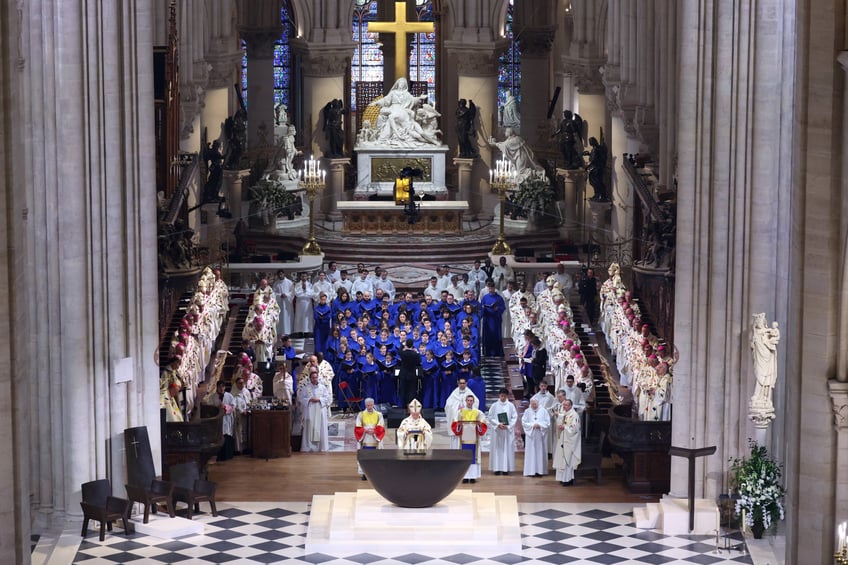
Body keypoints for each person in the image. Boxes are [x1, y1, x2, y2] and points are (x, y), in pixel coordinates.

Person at [451, 394, 487, 483]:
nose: (470, 402)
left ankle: (473, 476)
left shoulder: (478, 412)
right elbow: (455, 424)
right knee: (464, 457)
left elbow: (483, 424)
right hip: (463, 439)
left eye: (471, 401)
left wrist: (479, 425)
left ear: (473, 402)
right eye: (468, 400)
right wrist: (458, 425)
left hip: (474, 439)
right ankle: (465, 476)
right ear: (466, 401)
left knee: (473, 458)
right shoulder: (460, 412)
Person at [487, 388, 517, 476]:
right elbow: (490, 417)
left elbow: (514, 417)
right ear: (499, 395)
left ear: (507, 396)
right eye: (501, 396)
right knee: (497, 449)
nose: (503, 397)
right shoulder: (494, 405)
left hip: (506, 431)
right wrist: (497, 424)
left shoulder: (511, 406)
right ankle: (496, 468)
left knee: (506, 449)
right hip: (497, 431)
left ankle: (505, 468)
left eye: (504, 396)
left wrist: (508, 426)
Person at [299, 368, 330, 452]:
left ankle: (321, 447)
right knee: (310, 428)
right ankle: (309, 447)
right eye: (313, 377)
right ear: (310, 378)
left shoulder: (322, 387)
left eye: (316, 377)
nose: (315, 379)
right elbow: (301, 398)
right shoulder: (306, 388)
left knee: (320, 428)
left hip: (320, 410)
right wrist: (309, 399)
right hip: (310, 411)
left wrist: (319, 399)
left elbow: (327, 398)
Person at [355, 397, 386, 479]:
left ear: (373, 404)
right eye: (368, 405)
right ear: (365, 405)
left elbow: (381, 426)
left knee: (375, 455)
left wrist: (375, 431)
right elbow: (358, 426)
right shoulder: (361, 414)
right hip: (365, 437)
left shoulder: (379, 414)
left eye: (371, 405)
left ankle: (375, 472)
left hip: (374, 437)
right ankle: (364, 473)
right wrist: (364, 430)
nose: (369, 407)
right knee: (365, 456)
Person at [553, 399, 582, 486]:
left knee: (567, 460)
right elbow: (562, 421)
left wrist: (564, 428)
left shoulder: (574, 415)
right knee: (562, 459)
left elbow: (575, 429)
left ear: (570, 406)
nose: (564, 407)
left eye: (566, 405)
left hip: (569, 441)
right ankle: (563, 478)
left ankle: (568, 479)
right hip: (563, 439)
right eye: (563, 405)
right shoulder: (566, 414)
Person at [206, 381, 236, 461]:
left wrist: (225, 407)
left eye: (223, 387)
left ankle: (228, 455)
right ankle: (220, 455)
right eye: (220, 387)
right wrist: (217, 407)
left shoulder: (229, 396)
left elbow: (233, 407)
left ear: (225, 387)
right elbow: (210, 408)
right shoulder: (213, 397)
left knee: (227, 436)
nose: (221, 388)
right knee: (220, 436)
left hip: (227, 418)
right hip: (218, 420)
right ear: (217, 387)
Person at [522, 397, 549, 477]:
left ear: (538, 403)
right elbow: (524, 422)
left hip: (540, 436)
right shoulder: (527, 411)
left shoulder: (543, 411)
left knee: (540, 452)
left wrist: (540, 425)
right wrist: (532, 425)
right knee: (531, 453)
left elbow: (547, 422)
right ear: (530, 404)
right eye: (532, 404)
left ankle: (540, 471)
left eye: (535, 404)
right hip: (531, 435)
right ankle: (531, 471)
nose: (534, 405)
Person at [480, 280, 506, 357]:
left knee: (496, 336)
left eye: (492, 288)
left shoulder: (499, 298)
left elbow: (503, 307)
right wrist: (484, 308)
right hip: (487, 320)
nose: (491, 289)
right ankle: (487, 352)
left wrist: (497, 309)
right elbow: (481, 307)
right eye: (490, 288)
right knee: (488, 336)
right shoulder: (485, 297)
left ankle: (497, 352)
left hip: (496, 320)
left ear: (495, 288)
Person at [397, 338, 421, 407]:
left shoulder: (403, 353)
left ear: (406, 345)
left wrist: (402, 345)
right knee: (411, 391)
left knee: (403, 390)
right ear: (412, 345)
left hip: (404, 374)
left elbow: (399, 351)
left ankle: (403, 406)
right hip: (412, 374)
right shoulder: (415, 354)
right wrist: (417, 352)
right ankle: (411, 406)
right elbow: (419, 361)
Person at [584, 136, 609, 201]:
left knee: (596, 182)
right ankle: (597, 194)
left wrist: (587, 167)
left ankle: (601, 195)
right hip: (596, 168)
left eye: (590, 142)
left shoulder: (596, 149)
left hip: (597, 168)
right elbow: (595, 157)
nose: (590, 143)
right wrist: (589, 154)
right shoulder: (596, 148)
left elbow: (594, 160)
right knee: (593, 182)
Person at [273, 270, 294, 337]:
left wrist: (287, 295)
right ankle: (280, 330)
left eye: (281, 274)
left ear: (284, 274)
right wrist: (279, 295)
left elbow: (292, 292)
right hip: (280, 303)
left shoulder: (289, 282)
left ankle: (288, 331)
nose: (280, 275)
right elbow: (274, 293)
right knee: (280, 316)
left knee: (287, 316)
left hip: (287, 303)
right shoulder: (276, 283)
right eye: (279, 274)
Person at [293, 272, 314, 336]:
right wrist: (302, 290)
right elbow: (296, 293)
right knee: (299, 316)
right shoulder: (297, 285)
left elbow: (311, 294)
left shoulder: (310, 285)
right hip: (300, 303)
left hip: (307, 303)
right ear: (301, 277)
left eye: (305, 276)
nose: (304, 278)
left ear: (307, 277)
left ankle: (307, 331)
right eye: (302, 276)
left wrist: (305, 289)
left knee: (307, 317)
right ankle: (299, 331)